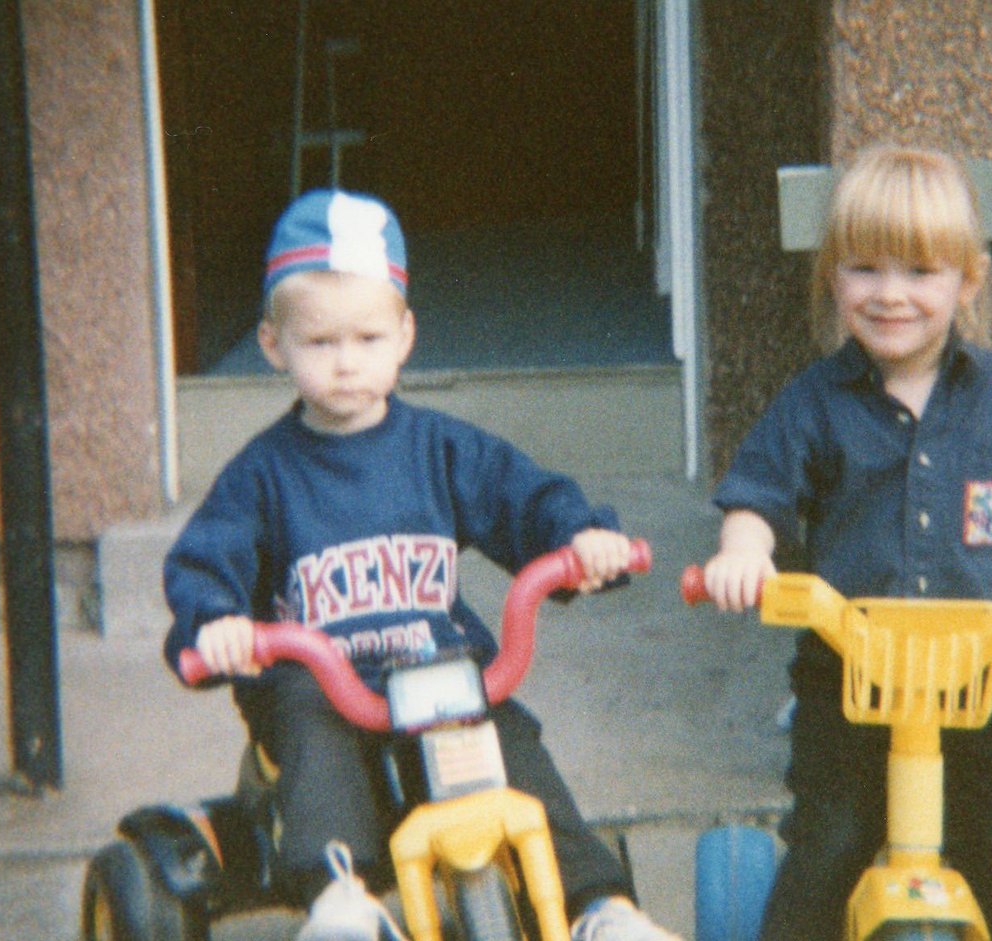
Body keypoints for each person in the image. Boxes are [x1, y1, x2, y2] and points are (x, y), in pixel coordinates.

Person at [163, 188, 679, 941]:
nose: (347, 364)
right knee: (307, 708)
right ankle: (339, 897)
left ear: (405, 336)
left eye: (368, 339)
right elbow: (209, 555)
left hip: (435, 678)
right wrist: (216, 624)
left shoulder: (440, 450)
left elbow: (520, 496)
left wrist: (579, 540)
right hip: (329, 690)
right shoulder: (262, 475)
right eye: (320, 343)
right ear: (273, 344)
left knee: (509, 736)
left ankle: (600, 907)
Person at [699, 145, 992, 941]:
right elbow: (758, 491)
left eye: (918, 271)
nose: (890, 294)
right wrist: (745, 552)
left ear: (966, 282)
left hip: (980, 673)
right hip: (850, 674)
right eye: (864, 269)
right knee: (828, 845)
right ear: (832, 279)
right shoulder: (814, 401)